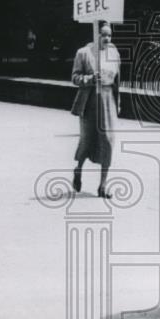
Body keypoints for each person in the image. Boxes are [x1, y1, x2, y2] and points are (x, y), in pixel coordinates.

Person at [70, 22, 120, 196]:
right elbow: (74, 78)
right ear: (96, 35)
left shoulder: (114, 53)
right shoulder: (83, 53)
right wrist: (90, 78)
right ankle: (78, 169)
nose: (107, 38)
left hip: (108, 101)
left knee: (108, 140)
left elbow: (117, 82)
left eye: (109, 35)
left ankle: (103, 185)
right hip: (90, 101)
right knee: (87, 140)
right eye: (103, 35)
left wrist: (118, 102)